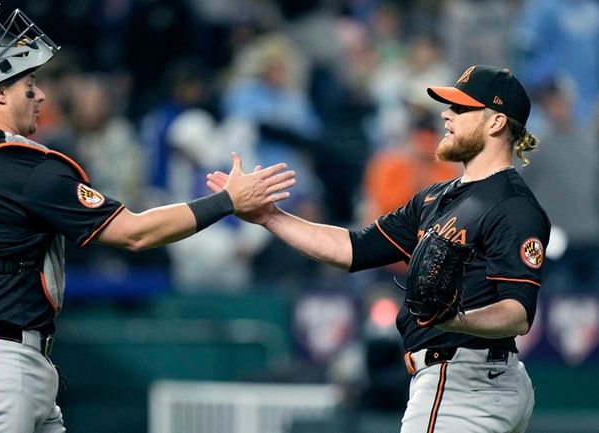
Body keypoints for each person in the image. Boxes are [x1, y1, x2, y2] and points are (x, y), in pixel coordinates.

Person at [0, 4, 295, 433]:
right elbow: (135, 234)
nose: (42, 95)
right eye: (29, 84)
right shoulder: (30, 169)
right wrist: (227, 201)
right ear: (0, 92)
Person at [208, 65, 550, 433]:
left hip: (464, 380)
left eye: (461, 108)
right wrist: (270, 217)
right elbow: (355, 248)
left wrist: (451, 318)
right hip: (468, 378)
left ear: (496, 122)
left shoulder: (512, 205)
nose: (445, 114)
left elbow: (517, 313)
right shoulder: (436, 198)